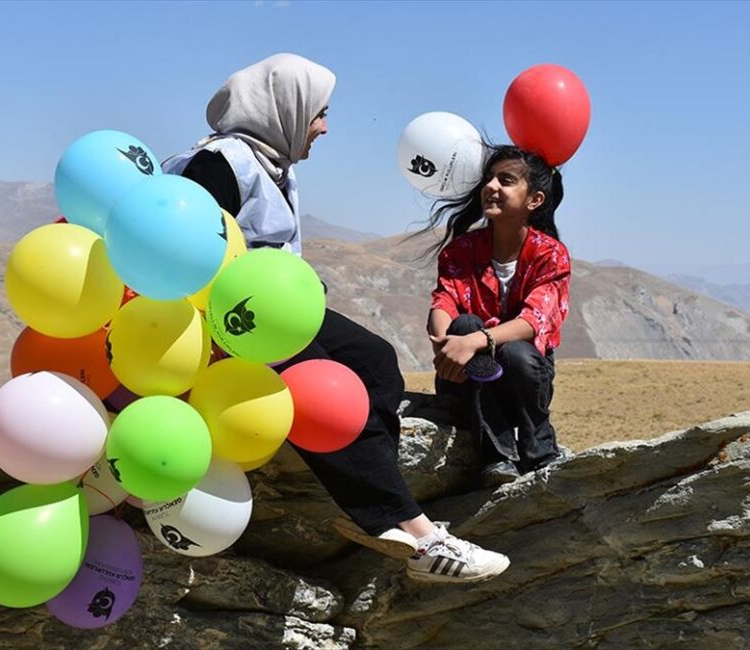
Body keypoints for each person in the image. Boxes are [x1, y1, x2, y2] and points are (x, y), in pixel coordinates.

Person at [161, 53, 509, 583]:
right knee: (324, 391)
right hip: (234, 323)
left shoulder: (273, 162)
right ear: (285, 108)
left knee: (376, 361)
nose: (324, 126)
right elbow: (193, 260)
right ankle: (412, 532)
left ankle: (376, 490)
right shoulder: (221, 163)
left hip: (273, 308)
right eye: (318, 113)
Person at [422, 144, 570, 487]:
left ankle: (539, 449)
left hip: (523, 378)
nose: (491, 186)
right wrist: (447, 346)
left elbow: (535, 321)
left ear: (533, 200)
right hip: (465, 379)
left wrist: (473, 341)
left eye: (505, 180)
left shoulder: (551, 255)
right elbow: (444, 300)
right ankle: (497, 457)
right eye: (489, 179)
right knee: (463, 323)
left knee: (515, 349)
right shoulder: (462, 250)